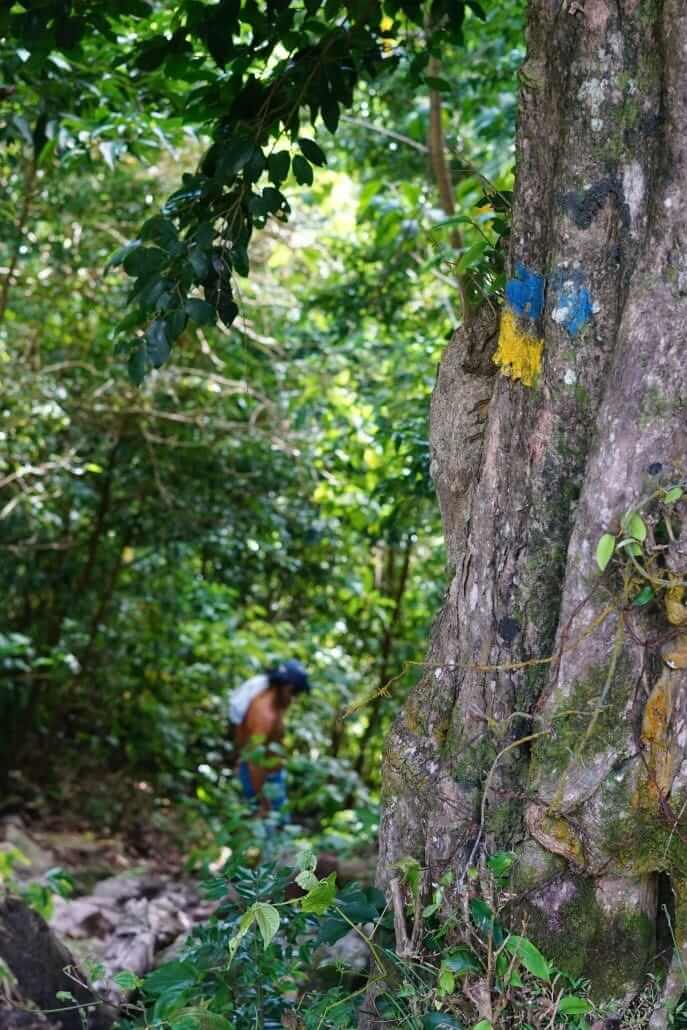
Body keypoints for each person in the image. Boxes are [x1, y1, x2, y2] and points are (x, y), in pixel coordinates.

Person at [228, 659, 310, 813]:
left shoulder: (271, 700)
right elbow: (254, 762)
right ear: (286, 688)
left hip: (271, 776)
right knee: (270, 828)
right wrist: (263, 802)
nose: (294, 699)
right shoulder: (264, 716)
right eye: (294, 693)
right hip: (262, 780)